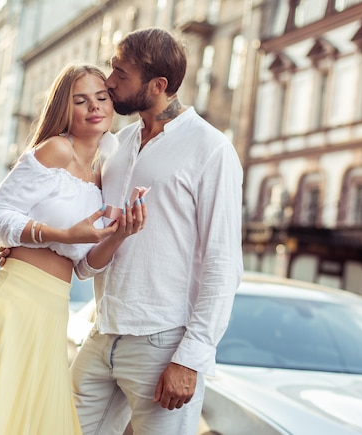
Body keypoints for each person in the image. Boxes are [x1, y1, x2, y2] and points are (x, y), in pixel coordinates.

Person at [0, 64, 145, 435]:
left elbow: (83, 266)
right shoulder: (56, 150)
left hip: (51, 314)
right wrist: (60, 232)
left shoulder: (100, 177)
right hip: (13, 306)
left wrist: (120, 235)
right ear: (66, 108)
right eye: (81, 100)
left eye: (102, 97)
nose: (94, 107)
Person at [69, 28, 244, 434]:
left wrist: (191, 358)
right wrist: (25, 242)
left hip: (162, 344)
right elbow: (84, 222)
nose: (109, 81)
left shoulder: (211, 149)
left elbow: (223, 263)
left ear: (158, 85)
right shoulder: (116, 145)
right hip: (102, 332)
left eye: (121, 73)